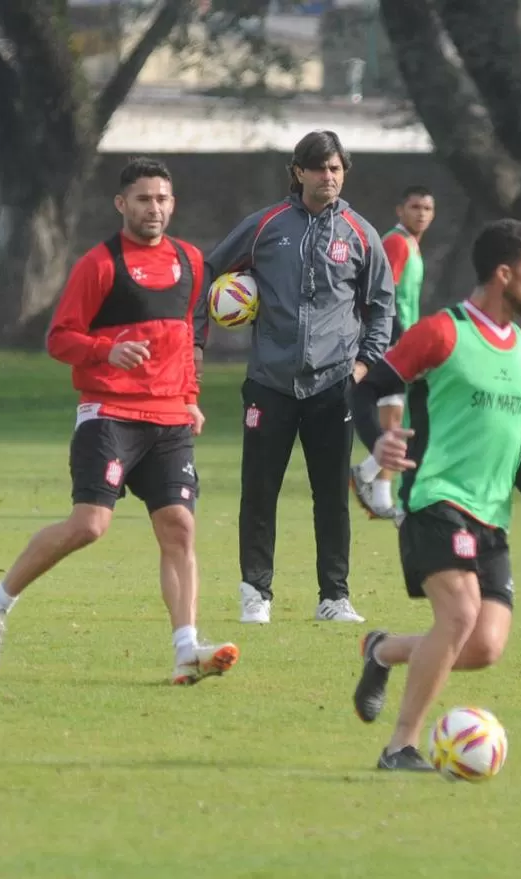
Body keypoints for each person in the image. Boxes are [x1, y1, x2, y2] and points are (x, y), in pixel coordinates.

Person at [0, 157, 239, 685]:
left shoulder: (190, 260)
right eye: (142, 199)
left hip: (168, 417)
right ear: (121, 205)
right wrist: (106, 351)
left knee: (180, 528)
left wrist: (190, 396)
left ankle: (187, 648)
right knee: (90, 526)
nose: (153, 208)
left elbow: (186, 334)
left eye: (162, 198)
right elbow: (59, 339)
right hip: (109, 413)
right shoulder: (100, 264)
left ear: (172, 203)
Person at [349, 218, 521, 771]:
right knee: (457, 618)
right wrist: (380, 444)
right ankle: (400, 745)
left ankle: (382, 649)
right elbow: (369, 388)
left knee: (482, 647)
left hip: (492, 514)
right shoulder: (442, 332)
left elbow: (512, 434)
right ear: (504, 273)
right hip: (434, 498)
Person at [194, 130, 395, 625]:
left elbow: (382, 304)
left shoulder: (360, 233)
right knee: (259, 489)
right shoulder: (266, 226)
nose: (329, 177)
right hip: (270, 382)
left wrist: (364, 363)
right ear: (298, 171)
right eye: (320, 168)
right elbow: (206, 273)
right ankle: (255, 593)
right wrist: (198, 340)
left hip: (333, 385)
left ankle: (334, 597)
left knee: (330, 495)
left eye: (336, 169)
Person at [351, 185, 435, 520]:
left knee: (397, 418)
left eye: (428, 208)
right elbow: (383, 293)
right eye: (415, 207)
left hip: (406, 341)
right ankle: (377, 490)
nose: (422, 214)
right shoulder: (396, 243)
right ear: (400, 210)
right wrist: (398, 335)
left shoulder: (412, 245)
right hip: (392, 342)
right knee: (395, 418)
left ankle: (374, 484)